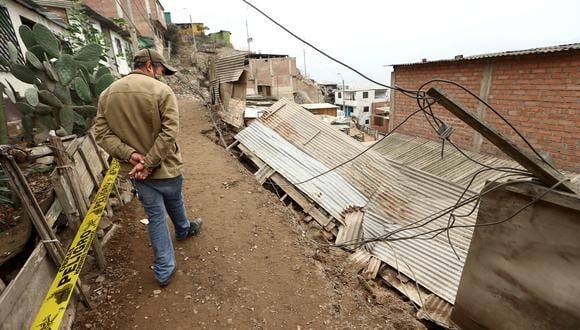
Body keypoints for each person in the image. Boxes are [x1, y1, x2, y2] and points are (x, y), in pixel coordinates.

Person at [95, 48, 202, 287]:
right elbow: (170, 132)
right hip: (165, 168)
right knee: (174, 200)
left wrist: (132, 155)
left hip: (136, 172)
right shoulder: (162, 91)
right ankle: (184, 229)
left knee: (155, 217)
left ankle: (164, 269)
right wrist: (150, 162)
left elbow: (101, 134)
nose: (161, 76)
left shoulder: (107, 94)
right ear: (151, 66)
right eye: (161, 71)